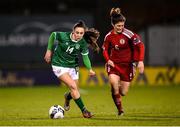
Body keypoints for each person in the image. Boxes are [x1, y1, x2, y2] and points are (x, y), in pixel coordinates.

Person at [44, 20, 100, 118]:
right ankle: (84, 111)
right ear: (73, 31)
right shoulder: (63, 36)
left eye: (81, 33)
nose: (79, 35)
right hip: (59, 65)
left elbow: (85, 57)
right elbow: (53, 35)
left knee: (75, 90)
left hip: (73, 66)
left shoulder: (82, 43)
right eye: (77, 32)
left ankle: (67, 97)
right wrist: (49, 50)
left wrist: (90, 69)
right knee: (73, 87)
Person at [102, 7, 145, 116]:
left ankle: (116, 91)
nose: (121, 27)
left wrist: (140, 61)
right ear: (113, 25)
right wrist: (108, 60)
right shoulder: (109, 36)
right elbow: (104, 50)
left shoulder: (129, 34)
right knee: (113, 83)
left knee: (123, 92)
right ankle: (120, 110)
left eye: (122, 25)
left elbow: (141, 46)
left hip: (127, 66)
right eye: (118, 26)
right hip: (114, 65)